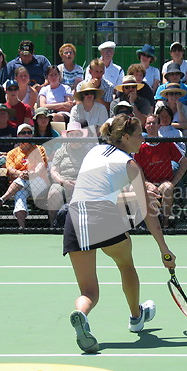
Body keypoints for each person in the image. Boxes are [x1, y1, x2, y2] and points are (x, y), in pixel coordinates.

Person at [64, 114, 176, 353]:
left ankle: (81, 314)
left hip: (74, 217)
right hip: (102, 217)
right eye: (138, 134)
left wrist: (134, 196)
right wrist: (163, 249)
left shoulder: (93, 152)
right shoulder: (130, 165)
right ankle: (136, 317)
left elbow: (95, 191)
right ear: (125, 137)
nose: (142, 138)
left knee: (89, 291)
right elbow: (147, 212)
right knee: (125, 264)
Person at [0, 124, 48, 228]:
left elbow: (40, 165)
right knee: (20, 195)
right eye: (23, 133)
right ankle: (22, 227)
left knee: (21, 182)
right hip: (20, 185)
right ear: (18, 136)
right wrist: (20, 173)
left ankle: (2, 199)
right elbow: (10, 169)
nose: (26, 135)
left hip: (38, 183)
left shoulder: (39, 149)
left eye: (29, 133)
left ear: (32, 135)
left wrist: (31, 174)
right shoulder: (12, 153)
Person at [133, 114, 187, 228]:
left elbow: (185, 162)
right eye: (149, 123)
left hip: (164, 182)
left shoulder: (167, 143)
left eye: (154, 123)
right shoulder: (139, 147)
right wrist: (147, 184)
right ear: (145, 126)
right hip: (147, 183)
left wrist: (173, 182)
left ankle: (165, 222)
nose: (151, 125)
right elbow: (135, 170)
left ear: (159, 126)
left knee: (168, 188)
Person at [47, 121, 90, 225]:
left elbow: (90, 172)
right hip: (62, 181)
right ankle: (53, 225)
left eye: (77, 135)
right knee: (54, 193)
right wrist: (63, 182)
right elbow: (54, 170)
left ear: (81, 136)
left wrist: (79, 183)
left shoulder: (88, 151)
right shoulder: (60, 151)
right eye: (72, 135)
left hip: (82, 182)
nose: (74, 137)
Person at [155, 83, 187, 171]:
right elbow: (158, 122)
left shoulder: (185, 108)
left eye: (176, 94)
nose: (174, 96)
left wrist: (179, 110)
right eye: (171, 93)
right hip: (161, 130)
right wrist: (172, 124)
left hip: (179, 133)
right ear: (167, 95)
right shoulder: (159, 106)